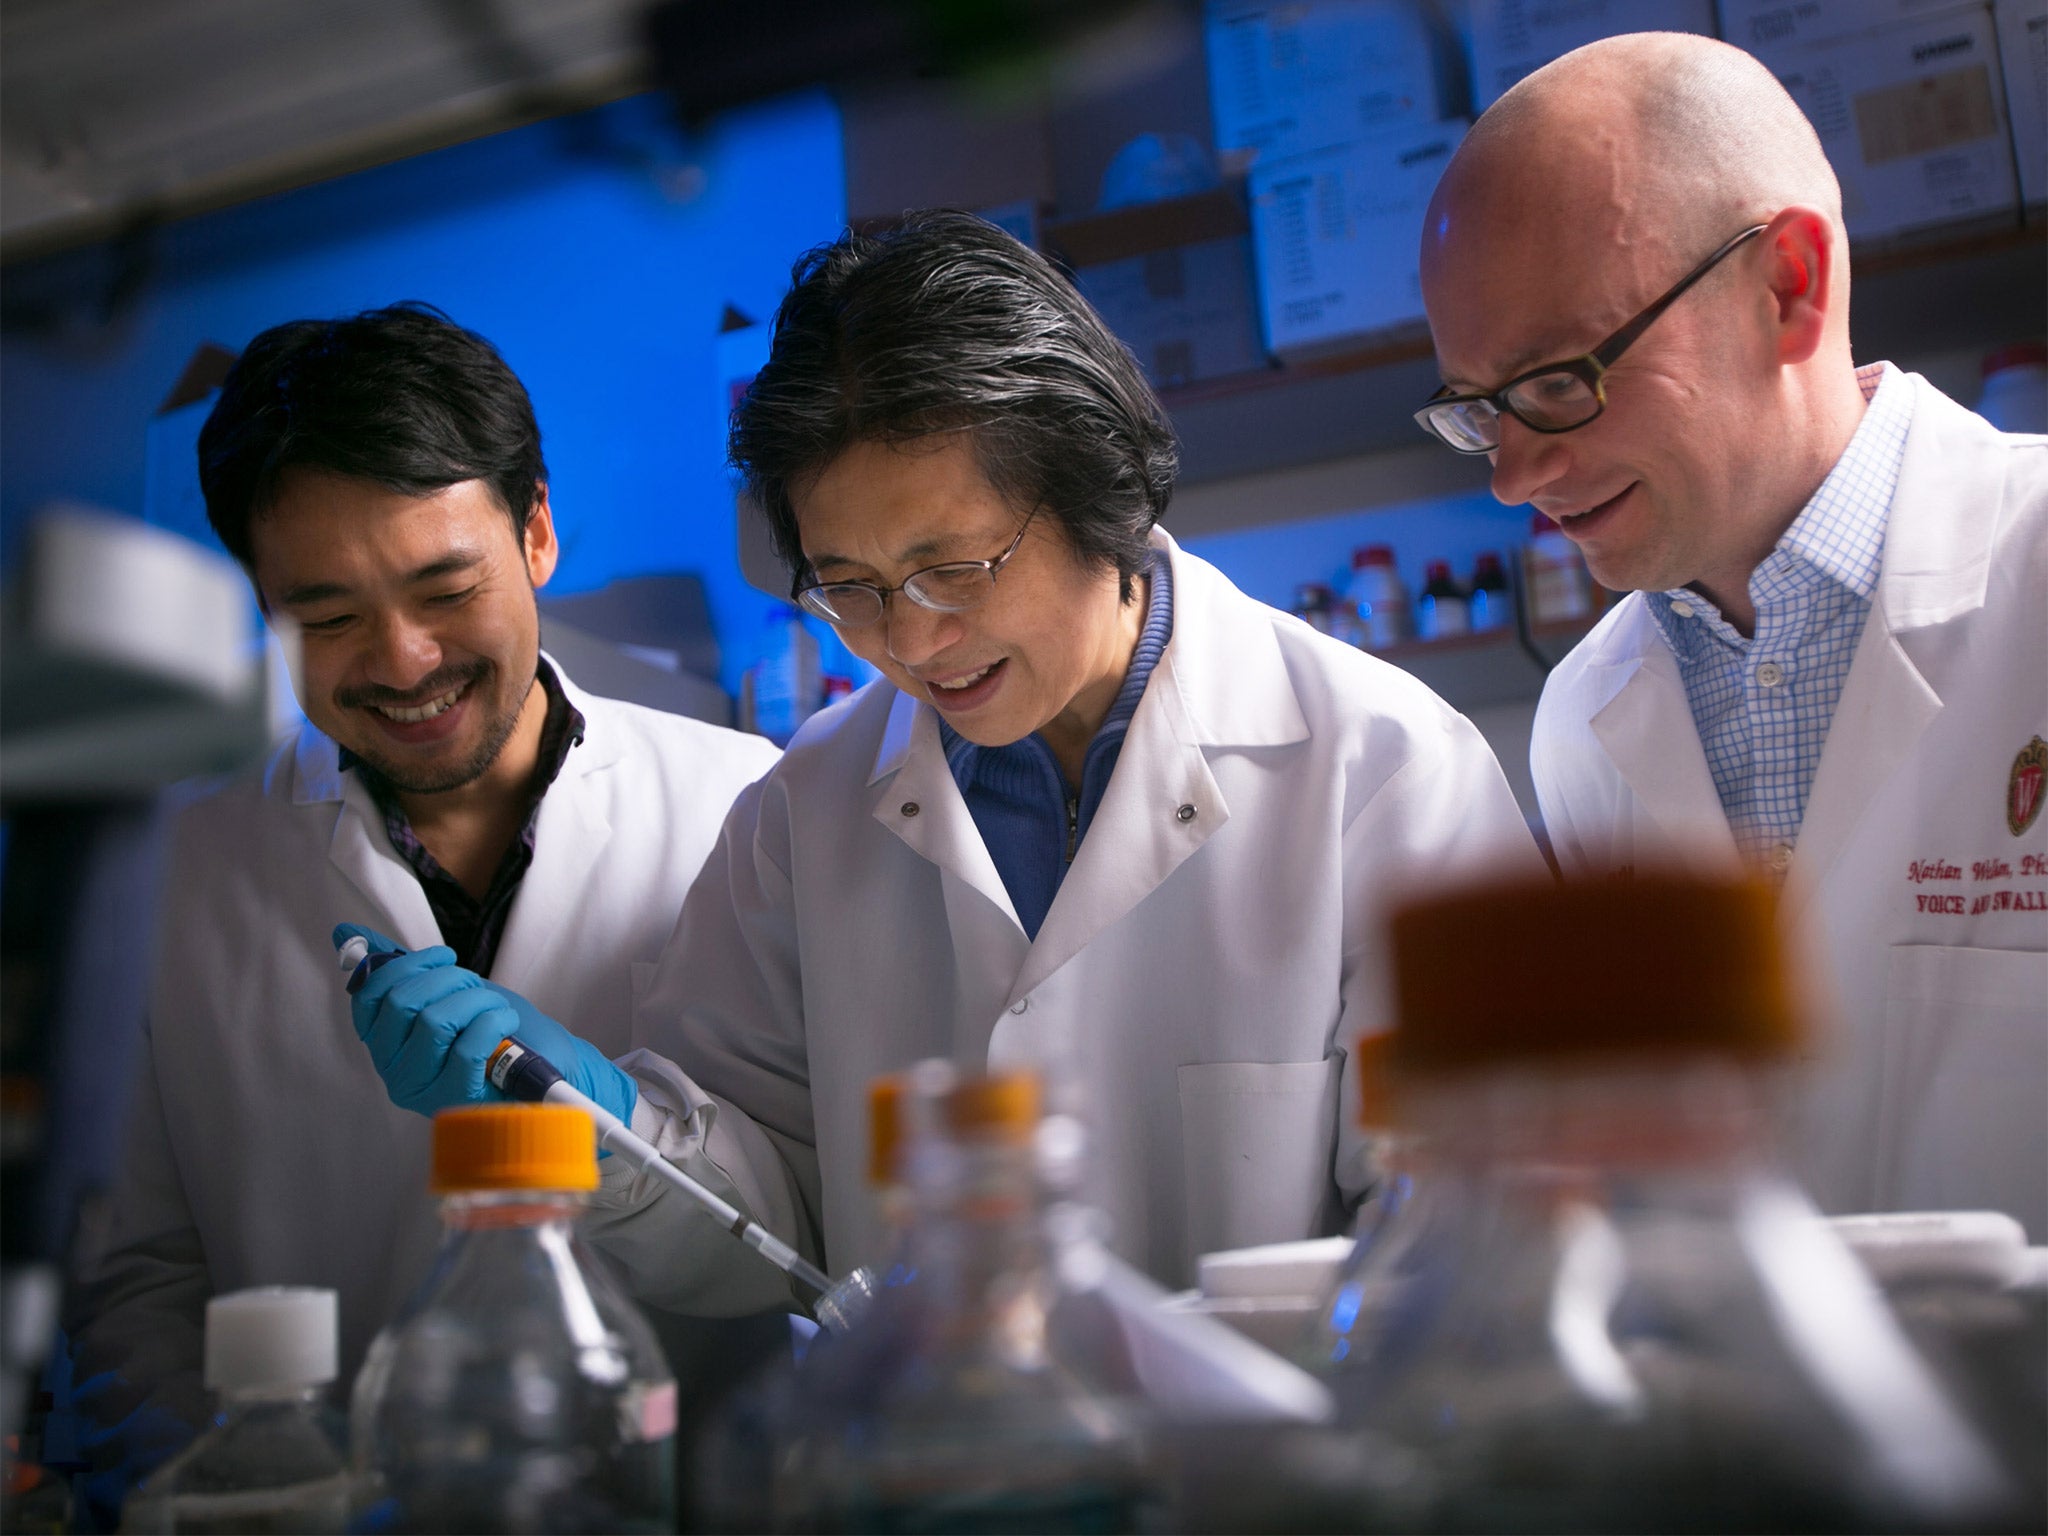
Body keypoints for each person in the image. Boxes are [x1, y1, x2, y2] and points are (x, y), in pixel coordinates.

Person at [343, 213, 1542, 1313]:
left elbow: (1472, 1244)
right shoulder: (799, 820)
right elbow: (760, 1220)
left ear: (1098, 490)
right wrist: (592, 1123)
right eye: (850, 590)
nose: (909, 642)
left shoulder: (1382, 773)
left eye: (953, 568)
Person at [64, 304, 781, 1466]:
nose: (403, 661)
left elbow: (803, 1231)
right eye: (329, 615)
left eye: (446, 591)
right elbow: (131, 1281)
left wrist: (614, 1129)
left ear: (536, 533)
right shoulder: (171, 880)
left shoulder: (744, 805)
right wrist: (237, 1487)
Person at [1412, 34, 2048, 1234]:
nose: (1510, 475)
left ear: (1787, 287)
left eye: (1556, 378)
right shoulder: (1586, 725)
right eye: (1476, 408)